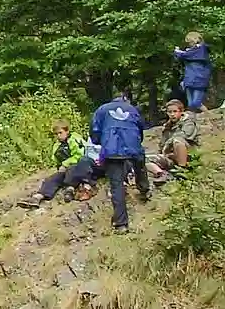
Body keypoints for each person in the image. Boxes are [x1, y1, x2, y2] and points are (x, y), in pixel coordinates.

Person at [92, 90, 151, 233]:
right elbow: (140, 129)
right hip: (133, 145)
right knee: (139, 163)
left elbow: (95, 131)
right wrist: (136, 142)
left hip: (112, 150)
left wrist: (101, 142)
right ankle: (144, 189)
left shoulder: (102, 109)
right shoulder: (133, 109)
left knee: (116, 186)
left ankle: (121, 224)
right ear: (126, 99)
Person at [21, 121, 96, 208]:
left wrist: (65, 164)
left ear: (67, 131)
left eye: (60, 133)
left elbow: (80, 155)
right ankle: (38, 197)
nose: (58, 136)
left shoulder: (75, 139)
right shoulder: (57, 145)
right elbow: (56, 159)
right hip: (66, 170)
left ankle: (70, 190)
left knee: (72, 169)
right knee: (52, 179)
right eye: (56, 134)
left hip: (79, 168)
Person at [147, 98, 200, 181]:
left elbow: (185, 135)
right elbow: (162, 146)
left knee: (177, 141)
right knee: (145, 158)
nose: (172, 114)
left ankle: (182, 171)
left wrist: (167, 145)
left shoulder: (188, 122)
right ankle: (161, 174)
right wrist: (164, 152)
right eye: (170, 112)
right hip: (171, 157)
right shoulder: (167, 127)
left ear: (181, 111)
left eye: (175, 111)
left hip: (189, 155)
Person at [176, 32, 211, 112]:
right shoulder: (190, 52)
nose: (189, 44)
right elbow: (183, 56)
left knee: (196, 103)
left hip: (199, 80)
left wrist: (178, 52)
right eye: (188, 43)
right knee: (191, 104)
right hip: (189, 80)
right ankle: (195, 120)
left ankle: (210, 116)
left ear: (196, 40)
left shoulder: (201, 50)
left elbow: (186, 55)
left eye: (190, 42)